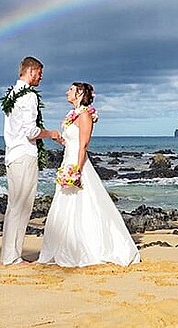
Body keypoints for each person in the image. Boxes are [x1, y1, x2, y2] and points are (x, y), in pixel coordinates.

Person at [37, 82, 140, 267]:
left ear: (79, 93)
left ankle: (86, 247)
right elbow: (72, 142)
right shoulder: (73, 115)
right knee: (66, 204)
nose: (66, 92)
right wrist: (60, 139)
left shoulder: (85, 115)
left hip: (77, 163)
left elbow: (83, 145)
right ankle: (65, 245)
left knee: (84, 202)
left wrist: (77, 169)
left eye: (70, 89)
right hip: (67, 160)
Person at [0, 56, 60, 266]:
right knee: (22, 206)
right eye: (40, 73)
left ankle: (9, 254)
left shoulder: (12, 94)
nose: (41, 77)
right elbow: (30, 131)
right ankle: (12, 257)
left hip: (12, 155)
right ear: (31, 71)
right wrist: (51, 134)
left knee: (14, 206)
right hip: (24, 155)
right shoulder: (29, 96)